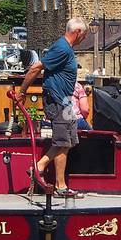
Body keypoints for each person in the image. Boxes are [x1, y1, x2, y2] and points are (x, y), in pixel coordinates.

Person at [14, 16, 89, 195]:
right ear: (77, 32)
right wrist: (22, 92)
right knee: (62, 140)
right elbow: (35, 68)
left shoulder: (66, 49)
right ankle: (38, 167)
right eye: (84, 35)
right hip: (57, 101)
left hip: (65, 102)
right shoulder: (62, 48)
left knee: (68, 142)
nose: (84, 39)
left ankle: (60, 186)